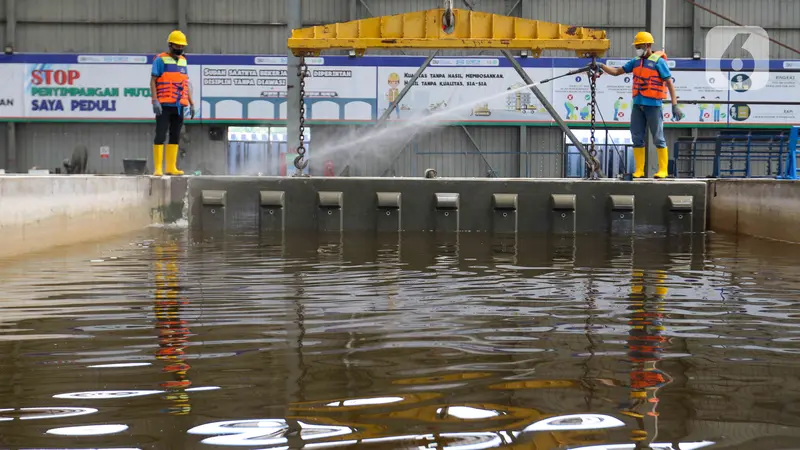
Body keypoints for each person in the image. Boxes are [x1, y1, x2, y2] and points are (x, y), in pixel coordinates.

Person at [599, 31, 683, 179]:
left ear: (648, 45)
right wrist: (600, 66)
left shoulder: (659, 62)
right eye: (636, 45)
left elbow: (669, 82)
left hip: (653, 105)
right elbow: (617, 71)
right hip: (638, 105)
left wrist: (674, 104)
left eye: (639, 45)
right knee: (636, 137)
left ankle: (663, 170)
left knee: (658, 137)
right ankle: (639, 170)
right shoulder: (635, 61)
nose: (637, 48)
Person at [151, 30, 195, 176]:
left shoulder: (183, 61)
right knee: (161, 134)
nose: (180, 49)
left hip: (179, 106)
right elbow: (153, 81)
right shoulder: (160, 60)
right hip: (164, 105)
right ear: (170, 45)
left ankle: (171, 167)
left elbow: (185, 83)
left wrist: (191, 103)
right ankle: (158, 168)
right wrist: (155, 101)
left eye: (182, 46)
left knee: (175, 135)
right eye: (177, 46)